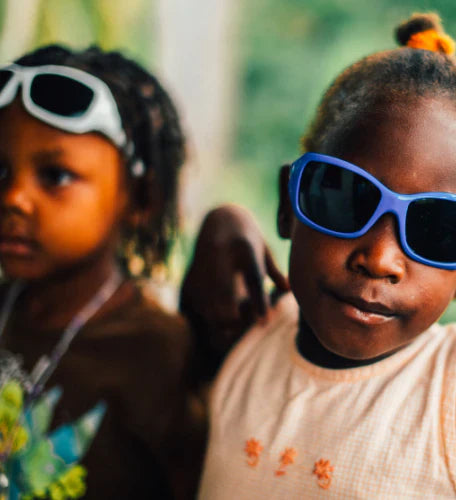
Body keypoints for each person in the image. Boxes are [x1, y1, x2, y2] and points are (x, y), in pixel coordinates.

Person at [196, 13, 456, 498]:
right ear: (288, 205)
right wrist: (222, 221)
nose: (379, 258)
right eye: (345, 197)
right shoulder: (243, 330)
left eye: (439, 229)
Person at [0, 44, 286, 499]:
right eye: (0, 170)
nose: (13, 197)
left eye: (55, 175)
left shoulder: (159, 353)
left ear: (140, 199)